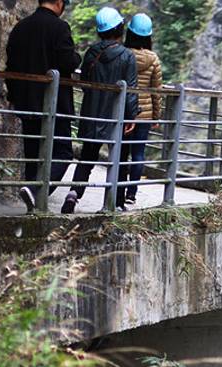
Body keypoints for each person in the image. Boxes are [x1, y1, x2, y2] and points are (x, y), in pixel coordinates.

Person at [5, 0, 81, 214]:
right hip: (54, 105)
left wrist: (14, 96)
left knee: (34, 155)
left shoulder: (20, 27)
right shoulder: (60, 27)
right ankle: (35, 191)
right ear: (59, 2)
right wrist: (77, 57)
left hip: (27, 103)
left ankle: (32, 204)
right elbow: (68, 61)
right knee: (63, 153)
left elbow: (11, 66)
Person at [67, 7, 138, 213]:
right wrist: (132, 116)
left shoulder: (91, 53)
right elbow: (130, 91)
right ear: (119, 28)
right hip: (116, 116)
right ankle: (116, 202)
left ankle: (73, 194)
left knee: (87, 157)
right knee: (119, 159)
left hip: (92, 112)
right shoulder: (127, 56)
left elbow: (85, 82)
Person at [119, 13, 163, 205]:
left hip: (124, 112)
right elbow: (156, 91)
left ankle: (118, 191)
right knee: (138, 154)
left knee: (122, 153)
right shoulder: (153, 59)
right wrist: (156, 116)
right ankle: (131, 194)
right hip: (144, 115)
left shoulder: (122, 54)